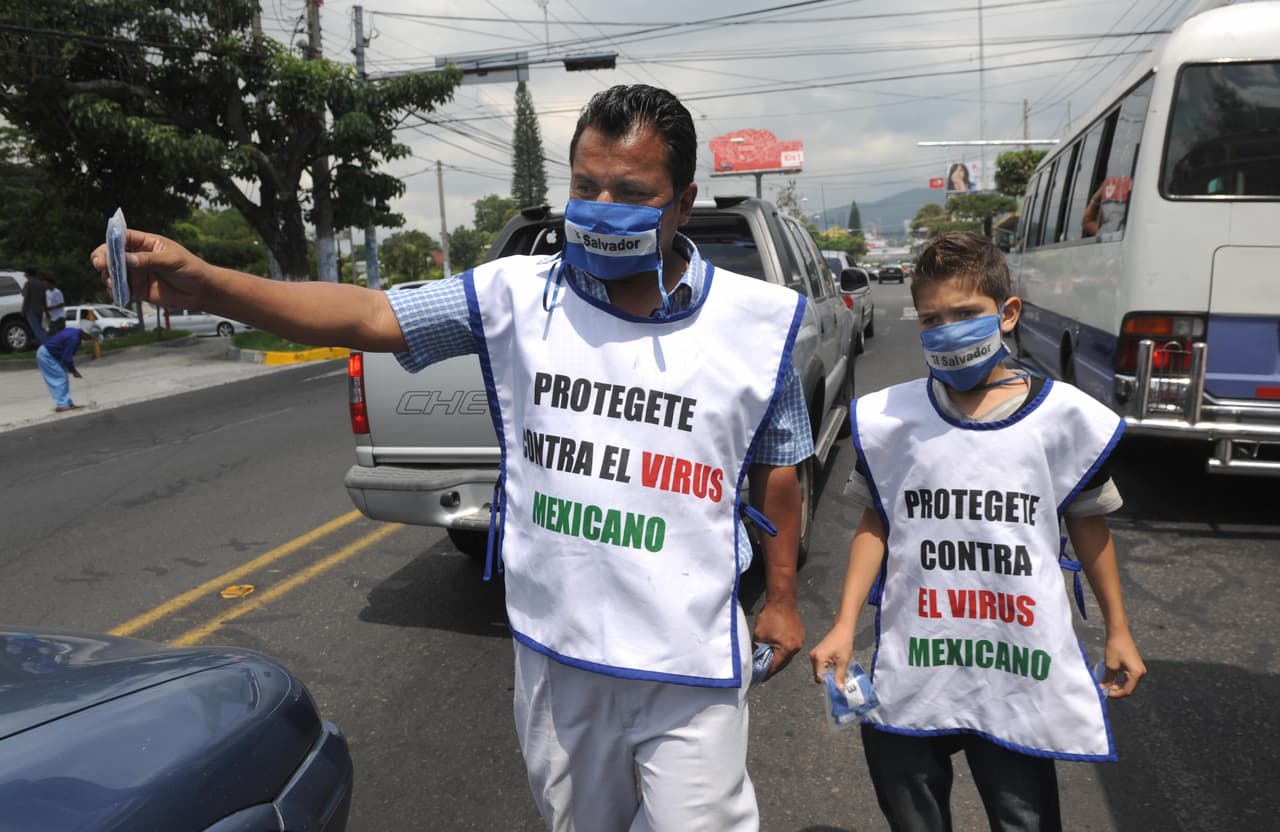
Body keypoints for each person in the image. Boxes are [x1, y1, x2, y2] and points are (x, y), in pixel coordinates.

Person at [92, 84, 808, 831]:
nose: (601, 205)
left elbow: (780, 464)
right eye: (585, 186)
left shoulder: (754, 325)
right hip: (557, 655)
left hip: (689, 661)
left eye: (631, 192)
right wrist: (205, 280)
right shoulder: (515, 295)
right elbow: (369, 314)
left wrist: (782, 599)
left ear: (683, 203)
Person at [809, 231, 1145, 832]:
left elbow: (1089, 525)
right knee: (910, 805)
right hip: (916, 655)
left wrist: (1118, 630)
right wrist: (841, 625)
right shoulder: (892, 421)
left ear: (1007, 313)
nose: (947, 331)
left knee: (1023, 813)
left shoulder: (1062, 419)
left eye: (966, 315)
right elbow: (874, 522)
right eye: (932, 319)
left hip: (1014, 663)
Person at [36, 324, 92, 413]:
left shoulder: (73, 331)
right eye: (90, 337)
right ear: (86, 333)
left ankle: (67, 403)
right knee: (61, 378)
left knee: (62, 376)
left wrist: (71, 369)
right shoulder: (75, 338)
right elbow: (67, 358)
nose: (90, 339)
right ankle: (62, 405)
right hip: (47, 355)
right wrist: (73, 371)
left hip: (48, 353)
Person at [20, 269, 48, 345]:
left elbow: (26, 297)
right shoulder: (41, 284)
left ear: (28, 274)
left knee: (37, 329)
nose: (25, 275)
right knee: (38, 327)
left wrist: (23, 309)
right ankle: (39, 342)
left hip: (31, 309)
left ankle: (47, 344)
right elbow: (44, 297)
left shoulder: (28, 283)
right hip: (40, 309)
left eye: (25, 274)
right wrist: (46, 310)